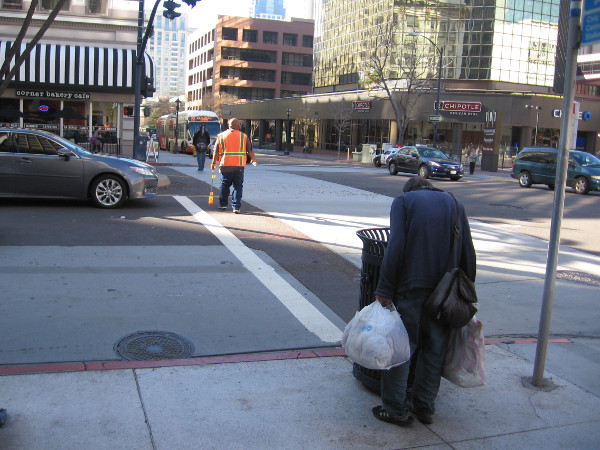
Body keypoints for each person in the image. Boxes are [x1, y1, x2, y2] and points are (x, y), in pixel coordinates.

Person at [371, 176, 476, 427]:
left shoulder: (403, 202)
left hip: (411, 288)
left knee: (402, 350)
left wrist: (384, 287)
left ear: (409, 190)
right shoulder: (454, 203)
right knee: (434, 350)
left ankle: (396, 409)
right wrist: (467, 291)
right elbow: (468, 250)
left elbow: (395, 246)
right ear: (430, 187)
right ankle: (425, 407)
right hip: (445, 294)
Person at [211, 118, 257, 214]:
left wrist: (213, 163)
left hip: (225, 165)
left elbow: (216, 151)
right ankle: (236, 207)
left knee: (224, 185)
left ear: (229, 125)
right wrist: (253, 159)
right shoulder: (243, 136)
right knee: (238, 186)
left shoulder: (221, 136)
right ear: (237, 126)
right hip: (239, 165)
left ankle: (223, 204)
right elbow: (250, 149)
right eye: (239, 125)